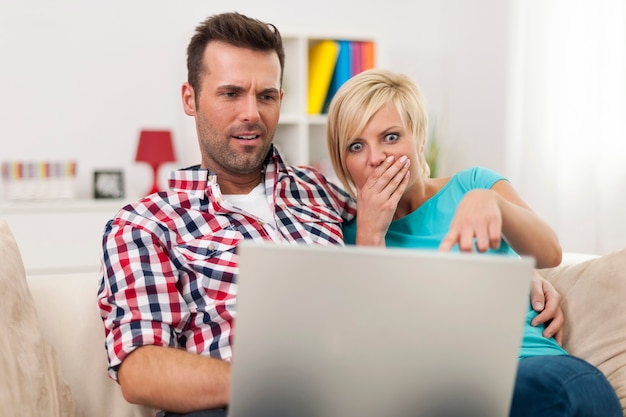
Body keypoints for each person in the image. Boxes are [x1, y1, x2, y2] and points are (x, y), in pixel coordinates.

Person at [97, 12, 565, 417]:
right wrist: (277, 381)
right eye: (231, 93)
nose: (251, 114)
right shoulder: (145, 224)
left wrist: (508, 271)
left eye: (267, 96)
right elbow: (140, 368)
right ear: (190, 99)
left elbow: (401, 244)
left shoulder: (322, 193)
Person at [325, 67, 622, 417]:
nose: (376, 158)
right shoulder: (348, 239)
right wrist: (372, 236)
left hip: (531, 367)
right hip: (442, 390)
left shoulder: (473, 185)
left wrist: (494, 204)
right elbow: (379, 356)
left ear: (419, 139)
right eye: (356, 146)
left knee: (565, 391)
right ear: (344, 162)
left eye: (390, 137)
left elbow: (549, 253)